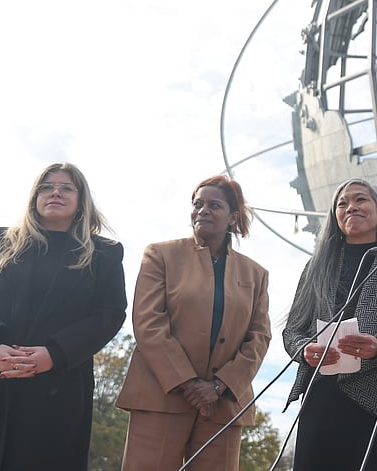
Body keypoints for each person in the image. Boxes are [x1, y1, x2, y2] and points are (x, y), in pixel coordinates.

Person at [0, 162, 127, 470]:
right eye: (47, 186)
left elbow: (109, 314)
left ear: (81, 200)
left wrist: (54, 354)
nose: (55, 192)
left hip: (56, 387)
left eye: (67, 187)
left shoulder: (104, 254)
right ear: (35, 197)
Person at [116, 175, 271, 470]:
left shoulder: (256, 274)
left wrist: (219, 386)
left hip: (223, 404)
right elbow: (148, 322)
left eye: (214, 205)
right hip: (160, 396)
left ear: (233, 216)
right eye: (198, 204)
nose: (203, 211)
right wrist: (188, 383)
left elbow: (260, 337)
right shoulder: (160, 255)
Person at [283, 178, 377, 471]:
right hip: (320, 396)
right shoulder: (315, 268)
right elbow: (292, 332)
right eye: (342, 203)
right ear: (335, 217)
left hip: (376, 401)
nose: (351, 206)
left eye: (361, 199)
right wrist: (305, 350)